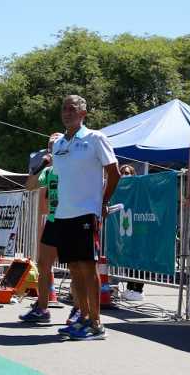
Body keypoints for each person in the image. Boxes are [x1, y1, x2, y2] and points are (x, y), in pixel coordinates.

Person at [50, 95, 121, 341]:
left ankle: (96, 323)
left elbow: (114, 172)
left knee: (88, 267)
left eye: (73, 109)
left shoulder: (95, 138)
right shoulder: (58, 144)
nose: (67, 112)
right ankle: (82, 317)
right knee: (74, 268)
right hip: (63, 213)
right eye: (64, 108)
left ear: (83, 114)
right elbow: (59, 178)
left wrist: (102, 202)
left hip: (86, 212)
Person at [18, 134, 73, 325]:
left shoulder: (70, 167)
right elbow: (29, 186)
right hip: (53, 220)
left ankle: (80, 309)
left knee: (77, 266)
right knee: (43, 264)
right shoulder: (49, 170)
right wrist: (40, 166)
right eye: (49, 147)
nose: (51, 150)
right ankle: (42, 308)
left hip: (71, 219)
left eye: (55, 146)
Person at [118, 164, 145, 302]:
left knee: (138, 258)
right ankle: (130, 287)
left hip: (138, 227)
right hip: (125, 228)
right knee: (128, 257)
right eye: (122, 172)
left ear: (133, 174)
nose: (124, 175)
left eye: (127, 172)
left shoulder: (138, 188)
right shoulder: (120, 190)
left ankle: (138, 289)